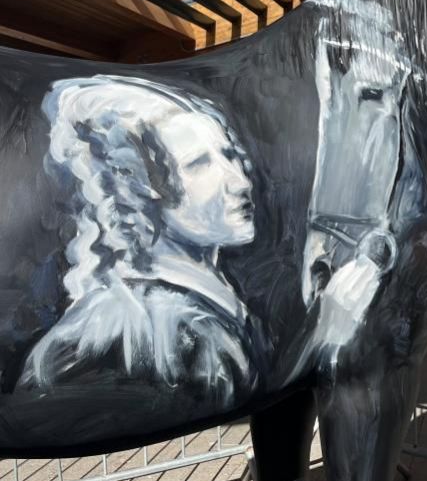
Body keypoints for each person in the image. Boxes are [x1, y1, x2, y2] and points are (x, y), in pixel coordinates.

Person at [18, 75, 261, 404]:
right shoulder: (146, 328)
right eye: (198, 164)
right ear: (140, 185)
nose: (239, 181)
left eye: (230, 156)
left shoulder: (196, 310)